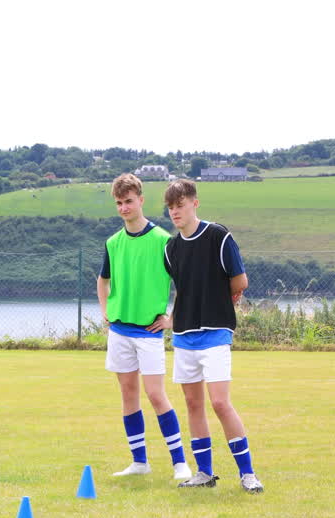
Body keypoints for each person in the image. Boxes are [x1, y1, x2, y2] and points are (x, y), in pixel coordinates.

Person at [163, 179, 263, 493]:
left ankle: (247, 474)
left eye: (180, 205)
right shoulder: (171, 248)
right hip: (184, 336)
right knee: (193, 405)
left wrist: (218, 305)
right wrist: (172, 319)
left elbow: (240, 282)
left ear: (195, 203)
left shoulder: (218, 236)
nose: (175, 212)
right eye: (170, 207)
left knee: (220, 403)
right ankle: (204, 473)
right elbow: (181, 290)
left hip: (215, 332)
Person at [97, 173, 190, 481]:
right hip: (120, 331)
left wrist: (171, 318)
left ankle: (179, 463)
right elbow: (103, 280)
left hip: (149, 332)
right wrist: (105, 312)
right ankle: (139, 461)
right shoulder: (113, 242)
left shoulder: (164, 240)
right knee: (127, 395)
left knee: (156, 394)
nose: (124, 208)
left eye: (129, 201)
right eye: (119, 203)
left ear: (141, 200)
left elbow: (184, 284)